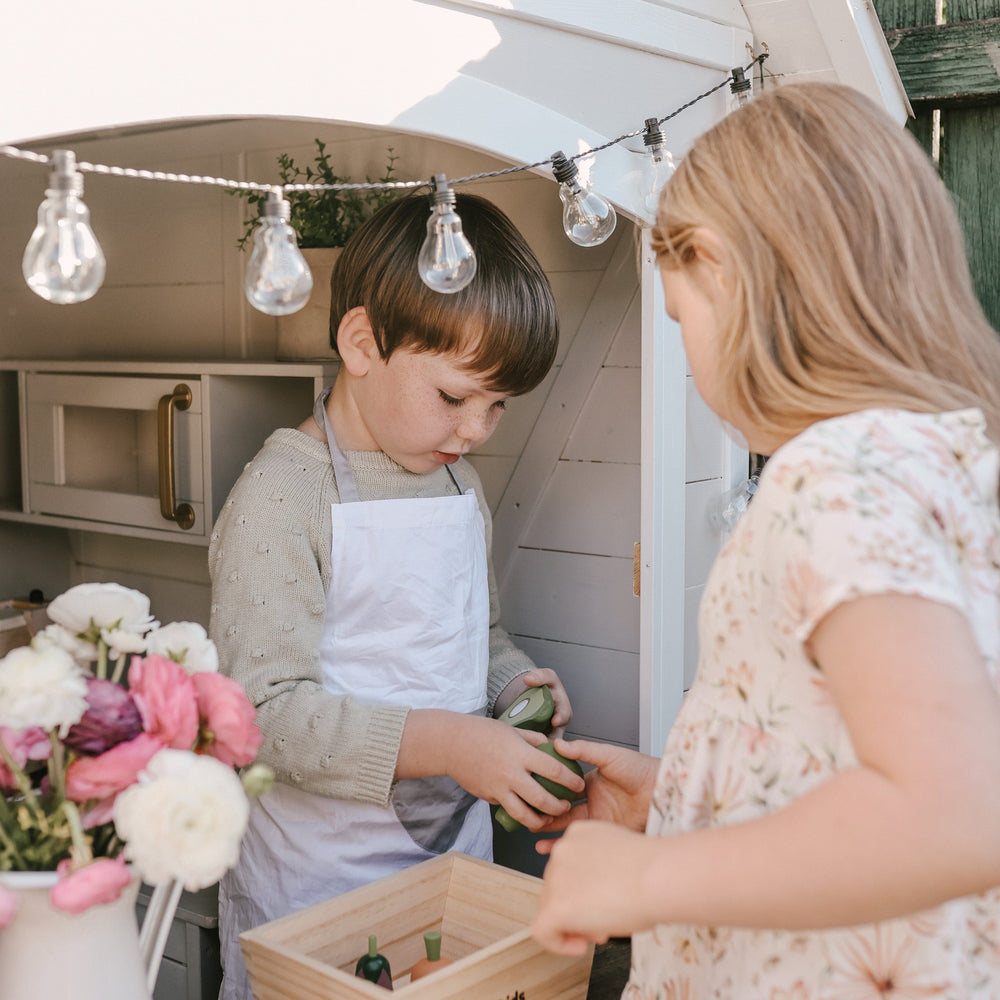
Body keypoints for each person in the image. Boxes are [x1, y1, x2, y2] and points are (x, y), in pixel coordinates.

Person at [531, 81, 1000, 998]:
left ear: (722, 267)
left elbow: (954, 812)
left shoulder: (831, 477)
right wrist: (680, 794)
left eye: (680, 320)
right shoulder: (947, 465)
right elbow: (851, 748)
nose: (692, 365)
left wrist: (646, 879)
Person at [209, 191, 583, 1000]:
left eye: (497, 405)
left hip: (448, 866)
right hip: (314, 888)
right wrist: (450, 745)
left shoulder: (456, 484)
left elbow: (474, 633)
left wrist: (509, 682)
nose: (478, 430)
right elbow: (263, 715)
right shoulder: (281, 498)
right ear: (362, 342)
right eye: (455, 397)